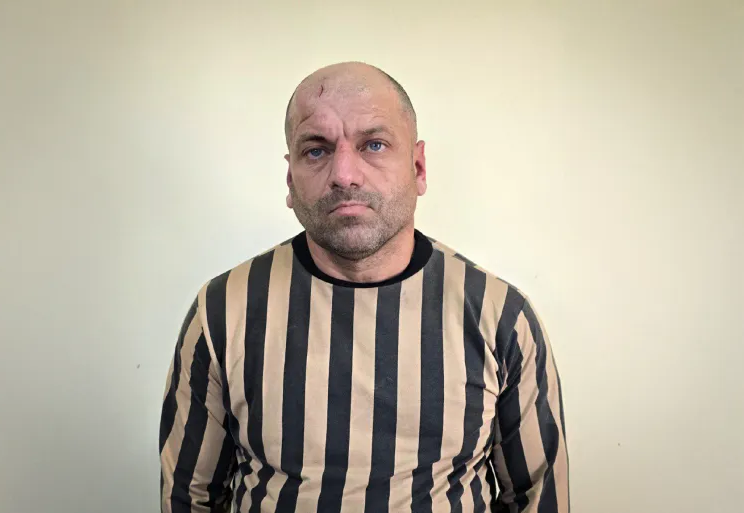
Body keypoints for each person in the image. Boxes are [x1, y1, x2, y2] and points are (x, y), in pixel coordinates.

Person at [160, 61, 569, 513]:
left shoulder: (500, 316)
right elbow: (189, 496)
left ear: (418, 167)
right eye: (316, 150)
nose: (344, 174)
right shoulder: (223, 311)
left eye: (374, 144)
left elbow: (537, 498)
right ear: (290, 179)